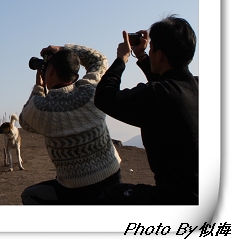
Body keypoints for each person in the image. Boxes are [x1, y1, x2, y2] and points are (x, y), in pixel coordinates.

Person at [94, 16, 198, 205]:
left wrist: (121, 59)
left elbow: (104, 98)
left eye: (152, 49)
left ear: (159, 55)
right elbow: (167, 86)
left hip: (174, 199)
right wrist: (142, 57)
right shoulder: (197, 86)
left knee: (110, 195)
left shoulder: (157, 95)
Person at [19, 44, 122, 204]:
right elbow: (100, 59)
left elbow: (24, 122)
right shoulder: (93, 91)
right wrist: (63, 49)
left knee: (29, 195)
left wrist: (39, 88)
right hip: (112, 177)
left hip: (75, 189)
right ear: (75, 76)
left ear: (50, 71)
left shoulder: (41, 108)